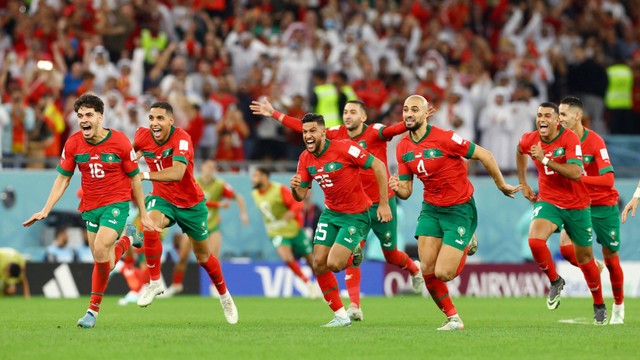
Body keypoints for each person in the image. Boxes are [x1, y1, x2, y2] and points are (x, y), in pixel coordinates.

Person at [251, 98, 425, 321]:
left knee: (390, 254)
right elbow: (305, 129)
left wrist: (416, 119)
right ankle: (353, 306)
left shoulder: (375, 132)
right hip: (348, 208)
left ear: (363, 117)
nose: (348, 115)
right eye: (345, 112)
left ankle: (413, 268)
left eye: (353, 112)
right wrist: (274, 113)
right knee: (339, 255)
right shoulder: (334, 134)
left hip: (381, 202)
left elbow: (398, 128)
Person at [23, 93, 157, 328]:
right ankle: (128, 238)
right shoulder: (73, 143)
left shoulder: (120, 142)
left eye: (88, 115)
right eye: (79, 115)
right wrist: (45, 209)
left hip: (116, 204)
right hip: (90, 206)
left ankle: (92, 311)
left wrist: (143, 213)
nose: (83, 119)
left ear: (100, 117)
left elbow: (135, 178)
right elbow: (63, 179)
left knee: (100, 247)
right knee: (103, 259)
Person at [389, 95, 520, 331]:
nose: (408, 114)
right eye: (405, 109)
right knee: (427, 269)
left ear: (427, 113)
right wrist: (399, 188)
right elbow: (407, 191)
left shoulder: (445, 138)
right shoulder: (402, 147)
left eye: (414, 109)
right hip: (430, 209)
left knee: (444, 273)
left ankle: (467, 239)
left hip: (459, 209)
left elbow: (485, 154)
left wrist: (501, 185)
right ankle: (453, 318)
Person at [133, 101, 238, 324]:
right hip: (162, 199)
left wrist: (144, 175)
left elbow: (178, 172)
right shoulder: (142, 136)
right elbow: (130, 154)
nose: (154, 123)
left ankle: (225, 296)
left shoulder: (182, 138)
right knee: (150, 225)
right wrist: (133, 158)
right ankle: (154, 282)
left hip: (191, 204)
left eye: (160, 118)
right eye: (151, 118)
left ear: (171, 121)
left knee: (203, 257)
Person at [290, 113, 392, 327]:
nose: (308, 136)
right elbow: (301, 195)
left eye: (312, 131)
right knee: (318, 264)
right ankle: (340, 316)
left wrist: (383, 203)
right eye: (304, 132)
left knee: (335, 264)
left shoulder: (345, 148)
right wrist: (295, 188)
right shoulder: (305, 158)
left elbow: (379, 166)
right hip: (330, 214)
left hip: (356, 215)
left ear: (323, 132)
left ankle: (353, 252)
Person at [516, 101, 606, 325]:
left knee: (584, 260)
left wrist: (545, 159)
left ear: (557, 121)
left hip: (577, 205)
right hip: (549, 201)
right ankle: (555, 280)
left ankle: (599, 303)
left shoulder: (569, 139)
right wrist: (523, 182)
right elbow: (520, 150)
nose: (542, 119)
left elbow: (576, 172)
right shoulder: (530, 138)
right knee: (535, 241)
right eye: (539, 115)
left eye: (548, 115)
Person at [557, 96, 625, 324]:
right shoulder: (560, 140)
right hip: (578, 206)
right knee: (566, 250)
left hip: (604, 205)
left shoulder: (595, 142)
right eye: (559, 114)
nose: (560, 119)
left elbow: (608, 180)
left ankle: (618, 306)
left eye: (564, 114)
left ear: (577, 115)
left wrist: (582, 179)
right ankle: (594, 267)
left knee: (612, 259)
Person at [163, 159, 249, 297]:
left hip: (212, 226)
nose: (210, 169)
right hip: (192, 225)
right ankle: (176, 285)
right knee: (183, 256)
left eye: (213, 167)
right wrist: (218, 205)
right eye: (208, 166)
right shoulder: (193, 182)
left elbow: (238, 197)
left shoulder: (220, 185)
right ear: (202, 167)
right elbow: (197, 201)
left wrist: (243, 213)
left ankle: (214, 288)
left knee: (213, 258)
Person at [251, 166, 316, 297]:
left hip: (293, 229)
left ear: (265, 176)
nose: (253, 179)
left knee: (310, 258)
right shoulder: (255, 194)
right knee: (286, 257)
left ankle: (323, 284)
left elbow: (297, 202)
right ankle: (308, 284)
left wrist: (292, 212)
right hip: (276, 232)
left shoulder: (278, 189)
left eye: (256, 175)